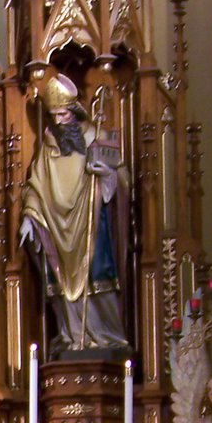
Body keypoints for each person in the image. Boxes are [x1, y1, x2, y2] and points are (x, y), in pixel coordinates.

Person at [19, 70, 129, 353]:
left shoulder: (97, 138)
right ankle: (72, 335)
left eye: (63, 115)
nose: (58, 121)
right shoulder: (48, 146)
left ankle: (104, 336)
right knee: (59, 282)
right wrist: (31, 217)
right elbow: (35, 183)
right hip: (56, 227)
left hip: (90, 223)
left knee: (96, 275)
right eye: (54, 116)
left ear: (75, 111)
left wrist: (106, 175)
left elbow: (123, 182)